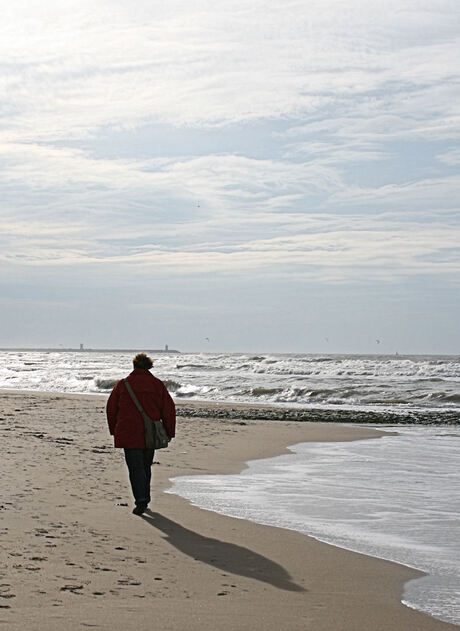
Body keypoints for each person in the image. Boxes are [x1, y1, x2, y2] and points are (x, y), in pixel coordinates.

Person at [106, 353, 176, 515]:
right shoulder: (157, 385)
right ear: (149, 366)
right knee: (145, 466)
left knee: (135, 468)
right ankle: (144, 498)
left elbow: (111, 409)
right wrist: (169, 431)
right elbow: (168, 410)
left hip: (128, 432)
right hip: (149, 433)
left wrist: (114, 430)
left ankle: (141, 500)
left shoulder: (123, 384)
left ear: (134, 366)